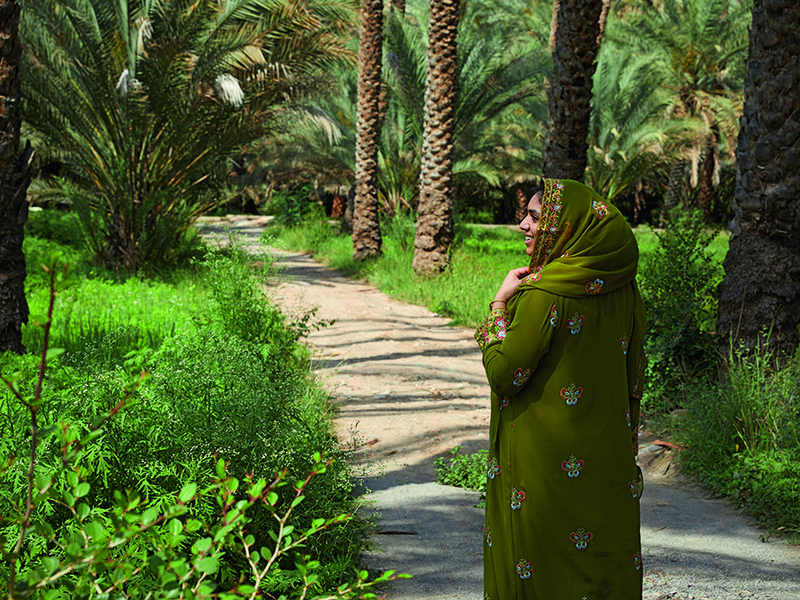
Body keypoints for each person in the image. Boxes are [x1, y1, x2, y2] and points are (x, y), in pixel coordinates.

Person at [475, 178, 646, 600]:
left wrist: (498, 308)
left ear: (566, 227)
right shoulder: (626, 292)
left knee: (537, 561)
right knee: (601, 560)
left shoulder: (543, 295)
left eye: (535, 217)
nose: (523, 225)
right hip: (607, 457)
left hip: (539, 467)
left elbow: (505, 375)